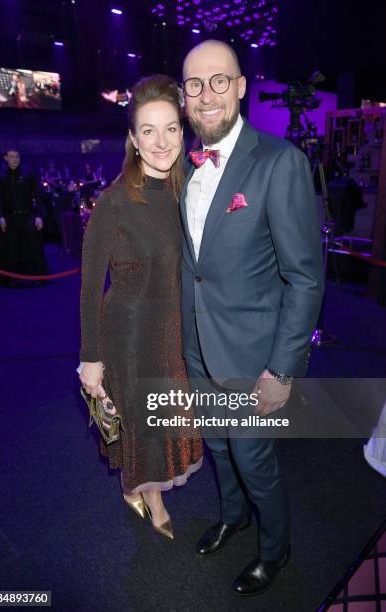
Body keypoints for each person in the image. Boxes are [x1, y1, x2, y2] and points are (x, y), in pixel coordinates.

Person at [180, 40, 324, 595]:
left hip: (253, 356)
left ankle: (275, 547)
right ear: (184, 95)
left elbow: (305, 277)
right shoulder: (184, 173)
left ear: (242, 87)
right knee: (217, 446)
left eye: (220, 80)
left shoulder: (280, 161)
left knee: (254, 458)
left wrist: (282, 369)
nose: (206, 94)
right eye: (194, 84)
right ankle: (232, 515)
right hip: (199, 348)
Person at [79, 74, 203, 540]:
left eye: (170, 128)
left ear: (183, 130)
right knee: (145, 425)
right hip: (128, 336)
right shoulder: (112, 202)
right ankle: (148, 494)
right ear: (132, 138)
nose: (160, 141)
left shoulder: (185, 190)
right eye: (147, 130)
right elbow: (91, 286)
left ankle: (141, 485)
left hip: (173, 332)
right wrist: (91, 358)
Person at [0, 150, 47, 285]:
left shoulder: (28, 173)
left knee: (35, 247)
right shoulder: (1, 176)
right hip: (10, 217)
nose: (15, 159)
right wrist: (1, 217)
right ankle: (13, 279)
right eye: (11, 157)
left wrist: (39, 216)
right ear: (5, 158)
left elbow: (37, 195)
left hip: (28, 215)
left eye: (17, 156)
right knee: (12, 249)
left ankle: (42, 278)